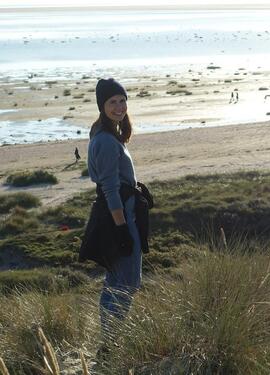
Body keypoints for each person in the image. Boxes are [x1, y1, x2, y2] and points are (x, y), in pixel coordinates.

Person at [82, 78, 145, 353]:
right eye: (112, 102)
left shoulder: (108, 134)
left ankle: (109, 340)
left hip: (123, 214)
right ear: (102, 106)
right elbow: (110, 189)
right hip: (119, 217)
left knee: (116, 280)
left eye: (122, 100)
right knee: (127, 281)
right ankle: (110, 343)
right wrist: (122, 230)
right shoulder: (106, 141)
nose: (119, 107)